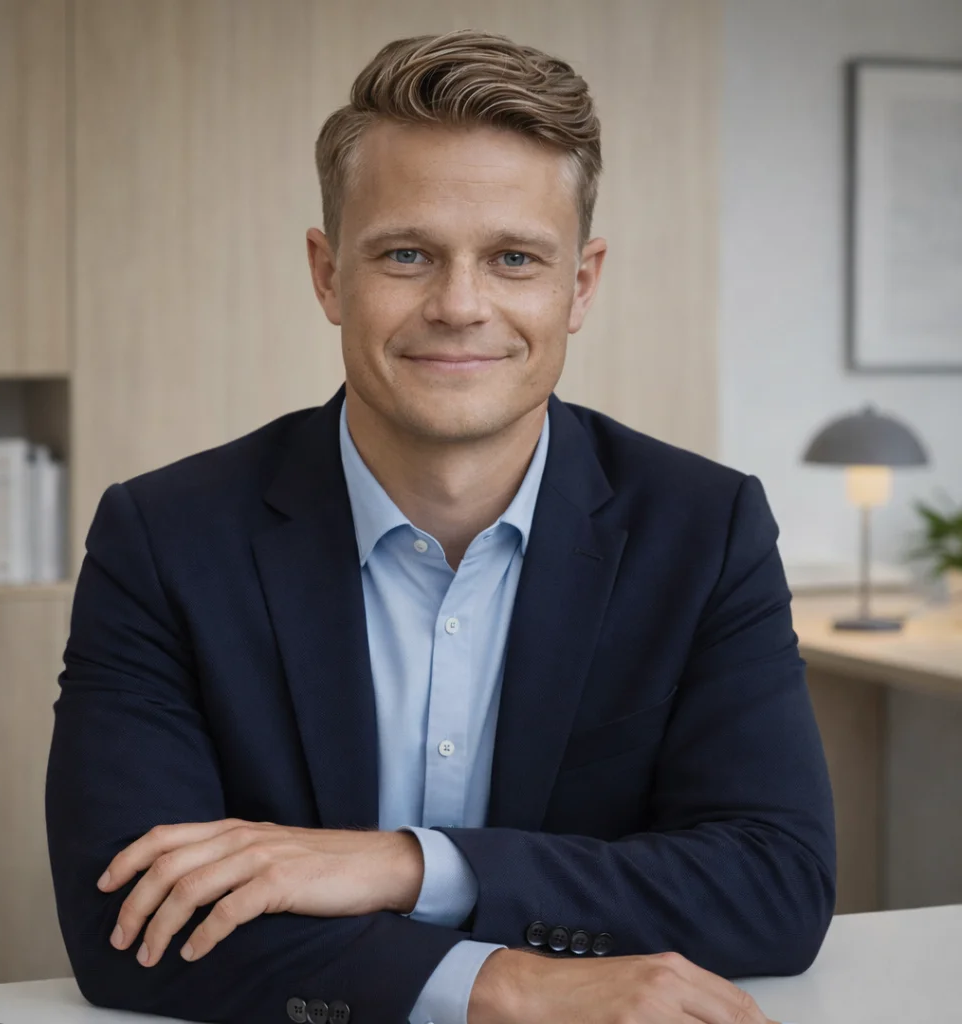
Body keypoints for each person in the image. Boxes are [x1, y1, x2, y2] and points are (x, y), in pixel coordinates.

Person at [45, 28, 835, 1024]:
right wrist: (506, 984)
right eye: (407, 254)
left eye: (514, 258)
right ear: (327, 274)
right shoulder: (163, 538)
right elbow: (128, 921)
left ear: (580, 284)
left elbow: (773, 883)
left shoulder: (705, 529)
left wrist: (406, 865)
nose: (460, 305)